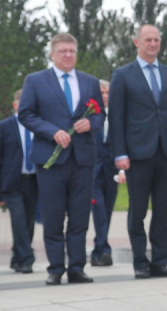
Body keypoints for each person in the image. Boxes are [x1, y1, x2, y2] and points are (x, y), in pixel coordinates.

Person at [110, 24, 167, 279]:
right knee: (138, 211)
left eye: (157, 39)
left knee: (164, 211)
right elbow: (116, 117)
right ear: (136, 42)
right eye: (148, 39)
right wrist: (119, 153)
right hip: (137, 154)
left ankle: (160, 261)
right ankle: (140, 262)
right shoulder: (123, 75)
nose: (153, 43)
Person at [18, 33, 103, 285]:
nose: (68, 55)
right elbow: (26, 114)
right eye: (63, 51)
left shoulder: (90, 82)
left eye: (72, 51)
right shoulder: (35, 81)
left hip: (83, 158)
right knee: (53, 216)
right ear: (52, 54)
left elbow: (100, 115)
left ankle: (77, 268)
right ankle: (55, 268)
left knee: (79, 217)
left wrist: (92, 122)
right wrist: (51, 131)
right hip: (50, 160)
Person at [1, 90, 38, 273]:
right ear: (16, 105)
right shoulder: (5, 127)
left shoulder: (37, 126)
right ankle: (27, 258)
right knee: (18, 220)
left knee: (29, 222)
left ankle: (17, 257)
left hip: (33, 181)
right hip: (12, 183)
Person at [90, 79, 117, 267]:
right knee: (98, 208)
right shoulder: (89, 115)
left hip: (112, 170)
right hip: (92, 170)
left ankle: (98, 251)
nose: (105, 96)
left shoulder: (117, 115)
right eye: (102, 93)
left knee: (107, 209)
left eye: (108, 92)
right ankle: (103, 248)